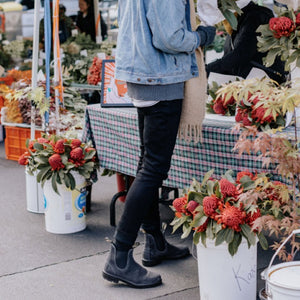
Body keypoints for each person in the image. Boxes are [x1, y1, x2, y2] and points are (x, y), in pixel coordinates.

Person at [102, 0, 215, 288]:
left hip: (143, 76)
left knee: (147, 165)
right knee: (153, 169)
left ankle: (154, 242)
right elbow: (170, 38)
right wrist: (202, 36)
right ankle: (120, 256)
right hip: (160, 78)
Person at [203, 0, 286, 84]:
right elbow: (228, 60)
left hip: (265, 83)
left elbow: (240, 55)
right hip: (248, 84)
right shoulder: (234, 22)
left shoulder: (256, 15)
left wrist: (206, 70)